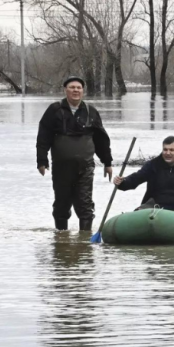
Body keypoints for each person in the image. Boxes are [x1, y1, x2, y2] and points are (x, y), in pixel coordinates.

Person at [36, 76, 113, 231]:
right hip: (61, 167)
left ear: (83, 91)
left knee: (85, 206)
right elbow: (43, 137)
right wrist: (42, 161)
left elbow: (101, 139)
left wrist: (107, 162)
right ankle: (61, 240)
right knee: (61, 205)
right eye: (72, 87)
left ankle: (84, 243)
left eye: (79, 88)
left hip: (85, 168)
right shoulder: (54, 110)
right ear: (65, 90)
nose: (76, 90)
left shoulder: (91, 111)